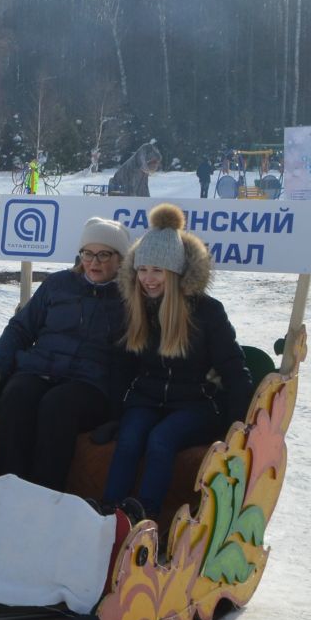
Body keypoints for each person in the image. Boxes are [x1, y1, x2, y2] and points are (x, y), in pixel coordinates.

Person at [104, 204, 254, 520]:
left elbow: (232, 367)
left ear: (175, 273)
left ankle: (146, 515)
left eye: (157, 271)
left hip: (195, 402)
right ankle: (109, 512)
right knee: (130, 438)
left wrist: (238, 427)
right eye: (142, 270)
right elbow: (122, 365)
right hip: (148, 397)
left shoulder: (206, 311)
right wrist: (115, 414)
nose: (148, 279)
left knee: (161, 439)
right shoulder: (136, 307)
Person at [0, 218, 131, 490]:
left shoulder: (128, 299)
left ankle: (46, 494)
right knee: (17, 394)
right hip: (40, 369)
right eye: (88, 253)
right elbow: (21, 328)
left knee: (58, 405)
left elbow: (139, 353)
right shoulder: (58, 285)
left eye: (104, 254)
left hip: (89, 383)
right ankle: (8, 488)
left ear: (120, 259)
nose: (94, 262)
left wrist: (119, 412)